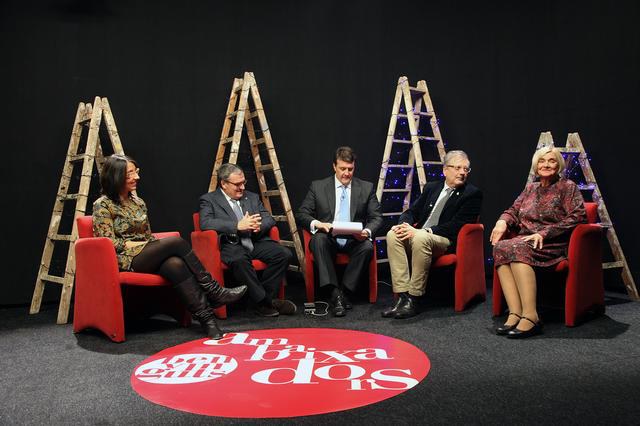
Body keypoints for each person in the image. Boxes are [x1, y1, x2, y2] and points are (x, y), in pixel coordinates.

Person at [92, 154, 246, 340]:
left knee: (175, 265)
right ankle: (214, 290)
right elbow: (108, 242)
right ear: (116, 176)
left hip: (146, 254)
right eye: (130, 174)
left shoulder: (138, 202)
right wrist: (143, 244)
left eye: (136, 172)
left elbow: (147, 235)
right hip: (125, 259)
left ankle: (208, 322)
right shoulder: (102, 205)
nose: (137, 177)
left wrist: (149, 244)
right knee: (175, 241)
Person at [490, 146, 586, 338]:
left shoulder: (567, 187)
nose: (546, 165)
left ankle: (531, 316)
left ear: (558, 165)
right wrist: (502, 221)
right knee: (500, 247)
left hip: (551, 243)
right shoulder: (531, 188)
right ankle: (515, 312)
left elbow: (578, 215)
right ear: (536, 165)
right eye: (542, 161)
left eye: (551, 161)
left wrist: (545, 232)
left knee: (517, 247)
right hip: (526, 239)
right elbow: (513, 210)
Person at [382, 150, 482, 319]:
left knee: (420, 237)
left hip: (444, 239)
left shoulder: (472, 194)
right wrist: (404, 225)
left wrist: (424, 231)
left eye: (466, 169)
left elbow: (457, 225)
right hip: (420, 234)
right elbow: (412, 211)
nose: (462, 173)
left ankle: (414, 298)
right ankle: (402, 297)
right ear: (445, 170)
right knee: (393, 234)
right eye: (458, 168)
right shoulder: (432, 188)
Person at [199, 163, 295, 317]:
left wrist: (258, 226)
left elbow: (268, 218)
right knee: (239, 259)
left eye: (243, 182)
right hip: (231, 245)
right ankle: (265, 302)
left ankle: (262, 300)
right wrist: (237, 225)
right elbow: (206, 223)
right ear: (223, 183)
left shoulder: (252, 197)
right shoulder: (209, 200)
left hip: (254, 241)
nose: (242, 187)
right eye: (237, 184)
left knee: (284, 254)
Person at [296, 146, 382, 317]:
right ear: (334, 166)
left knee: (367, 246)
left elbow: (377, 217)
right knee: (318, 240)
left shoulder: (366, 188)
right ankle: (335, 293)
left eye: (350, 169)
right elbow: (302, 214)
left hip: (354, 239)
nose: (346, 173)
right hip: (329, 237)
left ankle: (343, 293)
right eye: (342, 169)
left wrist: (366, 232)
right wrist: (318, 224)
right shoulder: (318, 187)